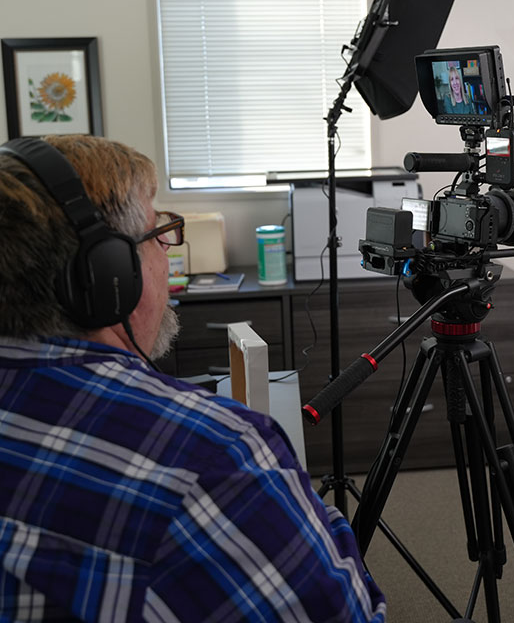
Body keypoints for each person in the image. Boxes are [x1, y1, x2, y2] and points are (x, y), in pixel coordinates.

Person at [0, 134, 386, 622]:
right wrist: (302, 505)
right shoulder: (213, 457)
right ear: (106, 274)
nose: (168, 250)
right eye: (157, 233)